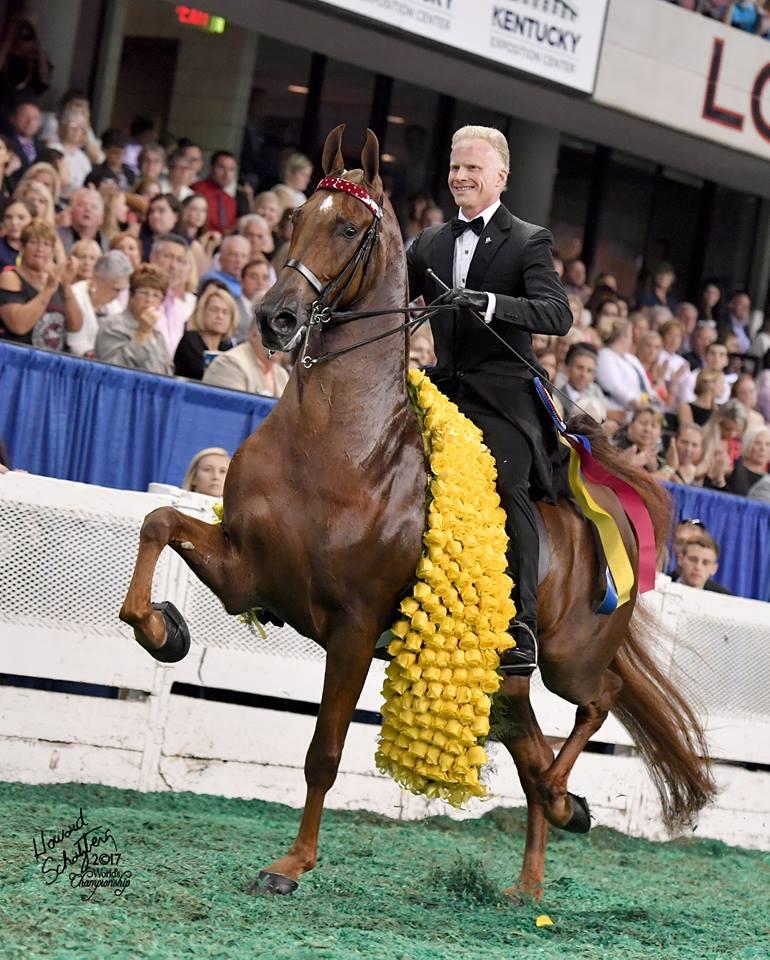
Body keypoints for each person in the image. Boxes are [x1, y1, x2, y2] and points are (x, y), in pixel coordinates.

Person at [407, 124, 571, 675]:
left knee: (506, 484)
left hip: (504, 395)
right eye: (455, 167)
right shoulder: (427, 242)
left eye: (473, 168)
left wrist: (490, 302)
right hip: (443, 387)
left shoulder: (529, 239)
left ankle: (520, 625)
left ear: (500, 176)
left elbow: (557, 315)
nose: (461, 177)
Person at [0, 219, 82, 348]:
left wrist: (66, 285)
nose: (40, 249)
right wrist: (48, 290)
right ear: (22, 246)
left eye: (47, 244)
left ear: (52, 250)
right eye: (33, 242)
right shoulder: (10, 277)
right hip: (21, 358)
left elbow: (76, 326)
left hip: (54, 359)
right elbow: (18, 326)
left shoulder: (55, 278)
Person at [94, 263, 174, 375]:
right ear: (131, 295)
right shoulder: (112, 325)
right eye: (144, 293)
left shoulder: (157, 333)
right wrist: (142, 333)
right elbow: (113, 369)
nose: (149, 300)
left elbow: (167, 371)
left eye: (156, 295)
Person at [67, 249, 132, 357]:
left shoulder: (114, 306)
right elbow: (77, 349)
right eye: (116, 289)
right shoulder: (75, 297)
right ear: (97, 278)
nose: (117, 296)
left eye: (121, 290)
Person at [203, 320, 289, 396]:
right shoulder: (230, 364)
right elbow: (235, 411)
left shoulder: (282, 375)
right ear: (253, 335)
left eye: (285, 337)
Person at [174, 284, 237, 380]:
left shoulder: (228, 347)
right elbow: (202, 373)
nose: (220, 316)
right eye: (214, 310)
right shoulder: (190, 341)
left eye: (225, 312)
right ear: (202, 312)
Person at [596, 317, 654, 413]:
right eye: (631, 335)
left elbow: (645, 385)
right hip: (618, 411)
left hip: (639, 410)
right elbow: (614, 387)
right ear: (624, 336)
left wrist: (652, 399)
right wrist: (636, 404)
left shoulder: (631, 358)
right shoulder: (604, 355)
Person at [192, 151, 249, 233]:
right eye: (221, 167)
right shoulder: (197, 190)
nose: (226, 174)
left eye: (231, 169)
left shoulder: (231, 201)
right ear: (211, 168)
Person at [559, 342, 608, 422]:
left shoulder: (597, 395)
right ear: (567, 369)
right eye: (579, 368)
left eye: (589, 371)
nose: (583, 375)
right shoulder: (557, 397)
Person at [53, 109, 93, 198]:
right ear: (63, 127)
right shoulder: (54, 148)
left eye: (81, 128)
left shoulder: (83, 157)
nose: (77, 130)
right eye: (73, 126)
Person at [57, 187, 106, 252]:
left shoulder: (108, 245)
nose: (88, 209)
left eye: (94, 207)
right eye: (82, 205)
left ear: (101, 218)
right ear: (71, 212)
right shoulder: (56, 237)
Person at [725, 425, 770, 495]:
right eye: (757, 443)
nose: (763, 448)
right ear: (748, 445)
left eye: (768, 444)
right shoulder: (733, 470)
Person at [4, 99, 43, 176]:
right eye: (24, 116)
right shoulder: (3, 143)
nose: (30, 122)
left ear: (39, 123)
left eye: (35, 118)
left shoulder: (43, 148)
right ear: (12, 119)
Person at [139, 193, 181, 262]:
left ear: (175, 217)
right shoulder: (138, 236)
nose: (155, 216)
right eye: (151, 211)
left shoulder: (190, 245)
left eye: (161, 211)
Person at [0, 197, 32, 267]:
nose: (14, 222)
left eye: (21, 217)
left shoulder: (41, 250)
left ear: (33, 220)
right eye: (8, 217)